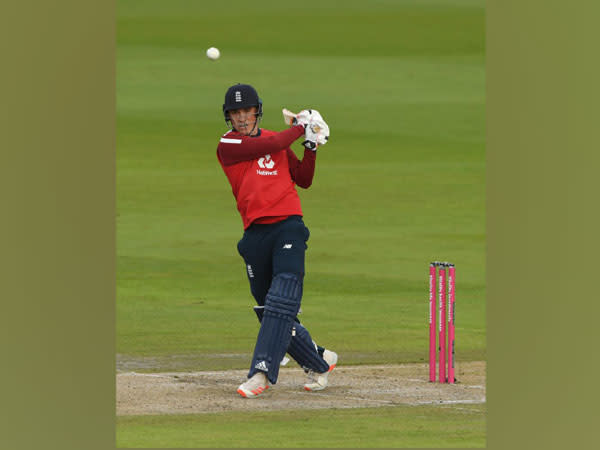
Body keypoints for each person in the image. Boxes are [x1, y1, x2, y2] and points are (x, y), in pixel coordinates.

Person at [216, 83, 337, 398]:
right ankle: (319, 359)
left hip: (288, 225)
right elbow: (261, 148)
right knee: (267, 307)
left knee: (283, 294)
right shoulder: (228, 144)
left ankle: (262, 372)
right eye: (236, 113)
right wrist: (300, 128)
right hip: (254, 234)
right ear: (228, 117)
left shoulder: (277, 140)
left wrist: (310, 145)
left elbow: (304, 179)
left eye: (247, 110)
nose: (242, 117)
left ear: (257, 111)